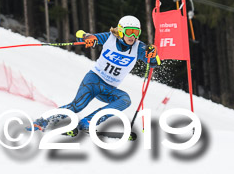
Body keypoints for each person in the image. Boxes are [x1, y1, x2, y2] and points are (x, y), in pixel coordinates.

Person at [32, 15, 160, 134]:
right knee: (78, 105)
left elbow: (155, 63)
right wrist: (87, 37)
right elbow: (80, 34)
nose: (132, 36)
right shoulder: (110, 38)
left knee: (125, 100)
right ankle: (43, 121)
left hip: (109, 89)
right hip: (93, 80)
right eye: (129, 31)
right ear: (120, 31)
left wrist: (153, 55)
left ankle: (88, 121)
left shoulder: (139, 48)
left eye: (136, 32)